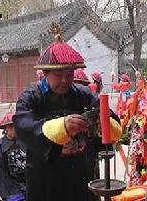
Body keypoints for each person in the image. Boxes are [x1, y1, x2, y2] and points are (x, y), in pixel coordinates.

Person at [13, 23, 122, 201]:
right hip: (46, 177)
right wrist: (61, 126)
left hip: (82, 173)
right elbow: (24, 128)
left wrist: (104, 123)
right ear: (45, 74)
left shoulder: (84, 94)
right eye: (58, 75)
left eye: (69, 75)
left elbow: (108, 116)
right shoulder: (31, 97)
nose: (65, 80)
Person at [0, 112, 27, 201]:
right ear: (5, 128)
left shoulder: (25, 141)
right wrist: (6, 192)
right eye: (10, 127)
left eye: (16, 126)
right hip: (9, 186)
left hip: (26, 184)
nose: (14, 130)